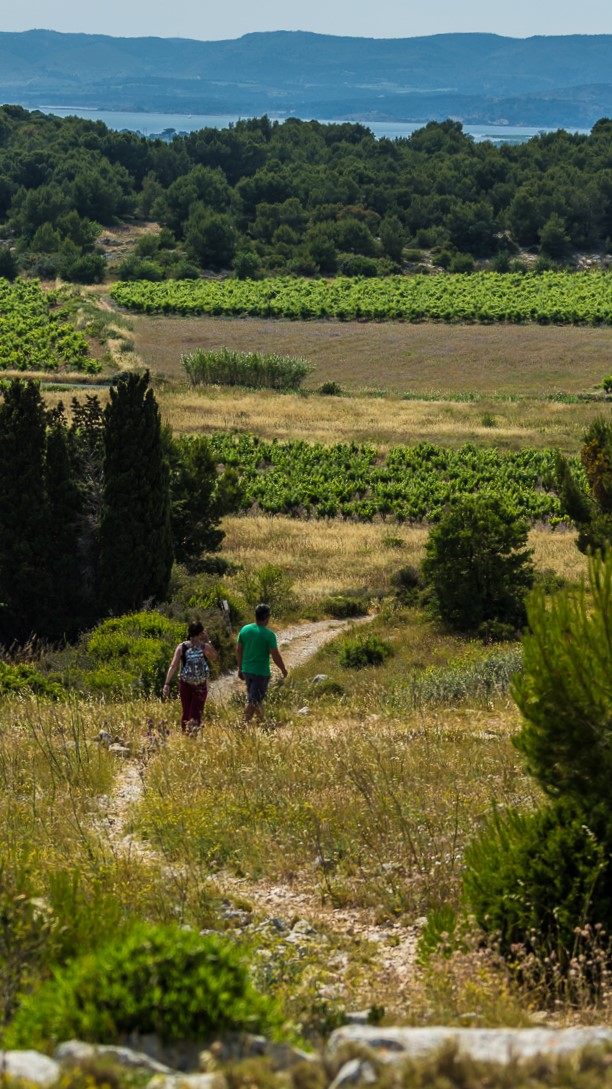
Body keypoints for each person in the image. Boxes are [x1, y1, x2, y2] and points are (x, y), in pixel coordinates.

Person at [236, 603, 287, 723]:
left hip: (247, 671)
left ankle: (262, 722)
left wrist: (240, 668)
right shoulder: (269, 635)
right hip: (260, 672)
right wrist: (283, 669)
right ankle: (242, 726)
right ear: (267, 617)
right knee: (253, 701)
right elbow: (275, 655)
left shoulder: (245, 629)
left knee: (257, 699)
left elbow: (239, 650)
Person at [163, 621, 218, 735]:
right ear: (201, 633)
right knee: (196, 711)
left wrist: (167, 683)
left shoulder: (181, 647)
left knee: (186, 710)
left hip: (185, 683)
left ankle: (185, 734)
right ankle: (192, 736)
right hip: (201, 684)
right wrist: (207, 639)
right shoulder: (204, 646)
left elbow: (173, 666)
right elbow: (214, 657)